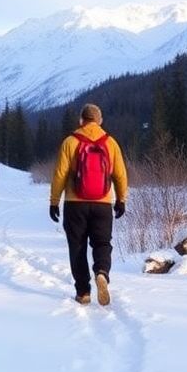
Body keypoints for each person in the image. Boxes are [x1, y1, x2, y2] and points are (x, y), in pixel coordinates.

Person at [49, 103, 128, 306]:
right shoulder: (110, 143)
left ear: (81, 120)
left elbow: (60, 174)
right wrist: (121, 199)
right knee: (102, 243)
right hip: (102, 204)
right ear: (100, 121)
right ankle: (101, 272)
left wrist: (54, 202)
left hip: (75, 204)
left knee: (77, 247)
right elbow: (120, 174)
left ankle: (83, 292)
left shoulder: (70, 142)